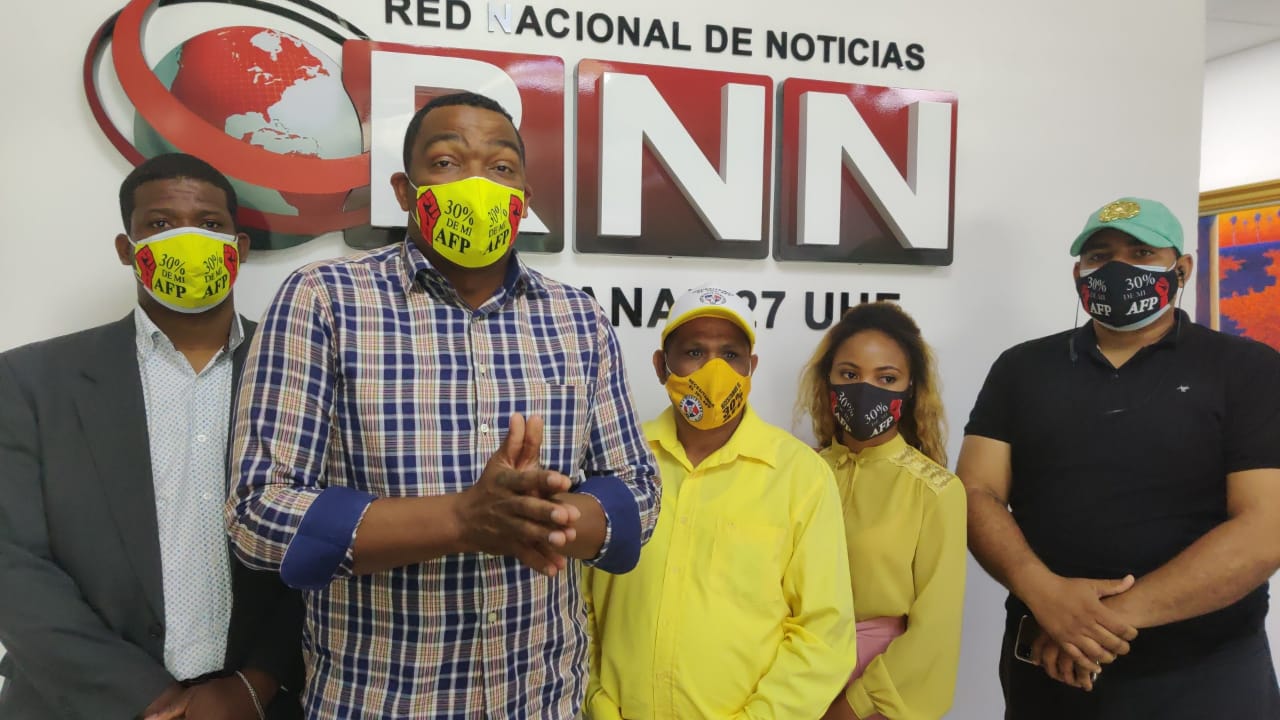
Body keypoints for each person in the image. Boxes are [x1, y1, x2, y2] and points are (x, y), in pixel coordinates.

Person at [225, 92, 660, 719]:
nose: (477, 182)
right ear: (404, 191)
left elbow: (638, 490)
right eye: (448, 161)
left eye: (502, 167)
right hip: (377, 703)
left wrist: (542, 519)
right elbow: (258, 513)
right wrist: (462, 519)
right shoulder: (324, 300)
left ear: (523, 200)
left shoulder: (578, 319)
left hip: (541, 700)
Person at [0, 153, 304, 719]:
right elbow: (11, 562)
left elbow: (327, 542)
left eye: (209, 224)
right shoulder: (28, 381)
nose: (187, 238)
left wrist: (257, 682)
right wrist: (148, 698)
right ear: (128, 248)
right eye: (160, 224)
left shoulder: (300, 370)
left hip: (254, 703)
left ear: (238, 248)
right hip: (73, 704)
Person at [958, 197, 1280, 719]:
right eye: (1100, 256)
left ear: (1182, 268)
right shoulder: (1021, 368)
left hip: (1204, 674)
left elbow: (1266, 527)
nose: (1118, 268)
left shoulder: (1247, 368)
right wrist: (1046, 595)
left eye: (1141, 252)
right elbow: (976, 491)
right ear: (1078, 274)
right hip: (1047, 663)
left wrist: (1094, 625)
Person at [583, 285, 856, 720]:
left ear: (751, 367)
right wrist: (598, 702)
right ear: (661, 365)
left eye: (730, 355)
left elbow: (824, 633)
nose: (714, 370)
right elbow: (580, 604)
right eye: (694, 352)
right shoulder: (618, 463)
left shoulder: (800, 475)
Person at [797, 302, 966, 720]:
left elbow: (935, 628)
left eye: (886, 378)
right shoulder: (800, 473)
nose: (864, 389)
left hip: (877, 693)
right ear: (828, 379)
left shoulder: (936, 490)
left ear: (910, 388)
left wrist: (853, 705)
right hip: (793, 682)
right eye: (849, 374)